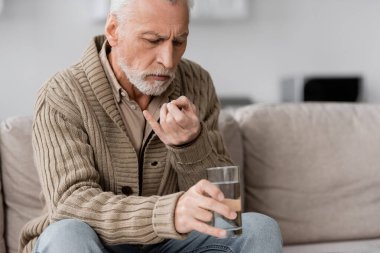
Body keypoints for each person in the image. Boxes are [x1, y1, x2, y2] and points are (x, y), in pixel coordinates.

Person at [20, 0, 283, 252]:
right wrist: (169, 213)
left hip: (173, 244)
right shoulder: (62, 94)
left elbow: (225, 210)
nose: (168, 60)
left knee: (261, 229)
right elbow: (70, 204)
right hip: (95, 243)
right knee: (67, 234)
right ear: (114, 30)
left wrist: (192, 144)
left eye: (179, 41)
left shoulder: (198, 83)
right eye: (153, 40)